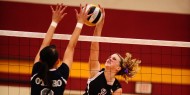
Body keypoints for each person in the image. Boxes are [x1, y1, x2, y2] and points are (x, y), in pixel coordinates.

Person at [31, 3, 90, 95]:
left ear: (40, 59)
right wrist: (80, 23)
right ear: (58, 61)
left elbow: (44, 44)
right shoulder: (61, 74)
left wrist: (54, 21)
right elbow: (71, 47)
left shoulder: (37, 70)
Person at [83, 5, 141, 95]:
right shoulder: (95, 71)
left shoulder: (117, 89)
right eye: (110, 57)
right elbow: (94, 46)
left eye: (114, 59)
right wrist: (99, 26)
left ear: (118, 68)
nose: (110, 58)